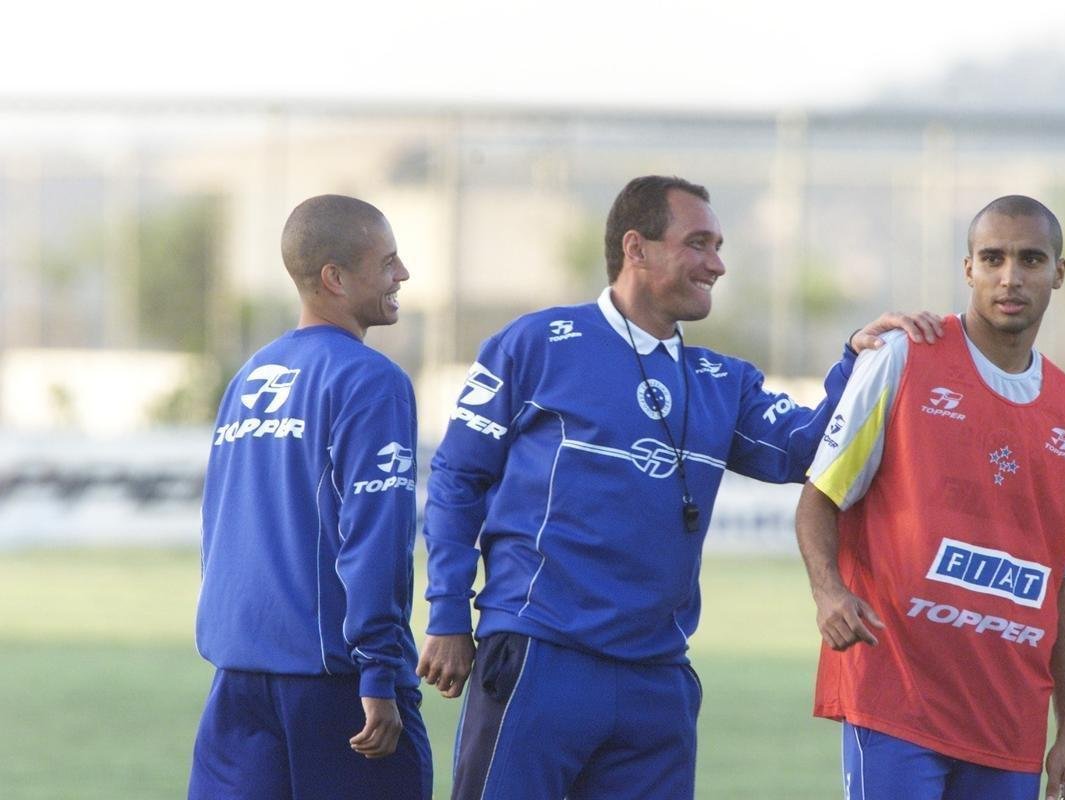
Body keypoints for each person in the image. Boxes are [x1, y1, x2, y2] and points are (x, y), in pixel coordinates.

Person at [418, 174, 943, 799]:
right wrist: (447, 613)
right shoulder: (536, 344)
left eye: (718, 247)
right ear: (635, 248)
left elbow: (804, 450)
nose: (717, 264)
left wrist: (859, 360)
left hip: (657, 681)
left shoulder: (723, 381)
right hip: (540, 653)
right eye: (698, 244)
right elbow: (458, 478)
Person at [795, 195, 1065, 800]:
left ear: (1058, 273)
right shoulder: (904, 357)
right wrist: (827, 591)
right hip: (896, 700)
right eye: (992, 258)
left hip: (1010, 722)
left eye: (1030, 259)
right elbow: (820, 497)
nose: (1010, 277)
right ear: (968, 269)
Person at [188, 195, 432, 800]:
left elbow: (220, 522)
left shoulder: (249, 375)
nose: (402, 275)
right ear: (335, 278)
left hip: (238, 679)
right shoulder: (371, 379)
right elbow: (376, 534)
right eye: (388, 262)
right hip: (336, 681)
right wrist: (379, 671)